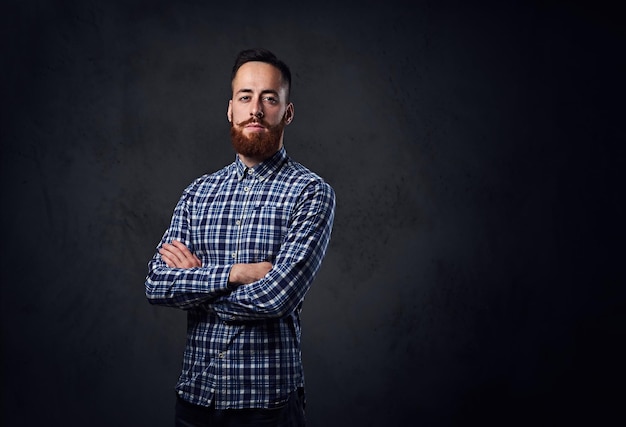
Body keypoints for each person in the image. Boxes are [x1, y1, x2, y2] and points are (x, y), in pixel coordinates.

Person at [145, 48, 335, 427]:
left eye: (270, 98)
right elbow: (155, 283)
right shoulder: (198, 193)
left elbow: (275, 298)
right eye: (245, 97)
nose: (256, 110)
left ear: (287, 111)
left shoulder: (310, 193)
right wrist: (234, 274)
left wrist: (197, 287)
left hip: (268, 406)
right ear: (230, 108)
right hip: (195, 400)